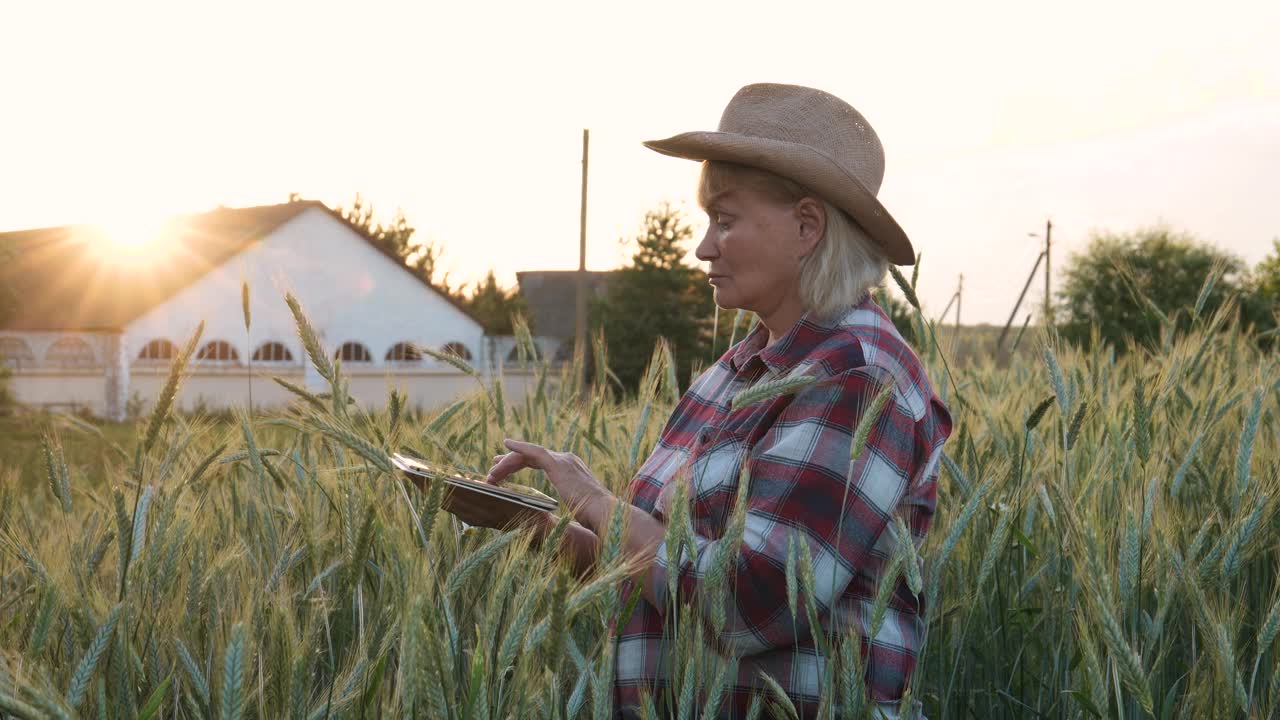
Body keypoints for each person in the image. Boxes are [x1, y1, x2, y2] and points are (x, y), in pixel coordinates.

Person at [445, 83, 953, 719]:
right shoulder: (736, 371)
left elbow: (750, 603)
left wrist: (597, 501)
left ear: (806, 226)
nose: (703, 247)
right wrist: (535, 527)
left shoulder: (856, 377)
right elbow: (659, 573)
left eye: (725, 219)